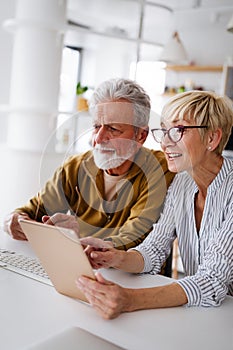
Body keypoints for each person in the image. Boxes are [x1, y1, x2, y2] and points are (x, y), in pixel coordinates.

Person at [76, 90, 233, 319]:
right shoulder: (181, 183)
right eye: (165, 131)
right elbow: (154, 250)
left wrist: (129, 300)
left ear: (212, 138)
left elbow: (212, 281)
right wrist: (114, 256)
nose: (165, 143)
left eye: (178, 130)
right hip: (204, 315)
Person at [3, 78, 174, 260]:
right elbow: (31, 211)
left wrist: (76, 240)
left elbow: (137, 233)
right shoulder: (74, 167)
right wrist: (13, 220)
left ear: (141, 136)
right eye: (96, 127)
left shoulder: (161, 168)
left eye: (113, 129)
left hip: (136, 278)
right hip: (80, 270)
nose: (98, 138)